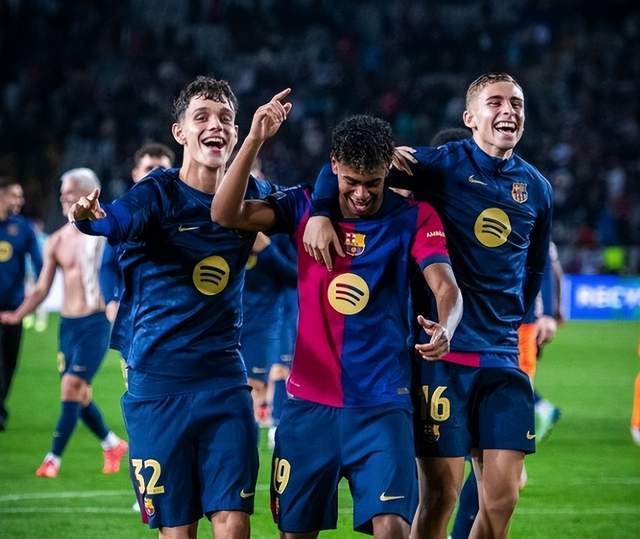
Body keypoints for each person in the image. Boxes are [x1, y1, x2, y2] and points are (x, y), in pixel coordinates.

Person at [304, 72, 552, 539]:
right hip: (442, 357)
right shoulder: (440, 165)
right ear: (470, 118)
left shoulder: (537, 188)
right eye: (496, 102)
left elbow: (535, 266)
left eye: (516, 103)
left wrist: (516, 315)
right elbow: (348, 162)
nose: (509, 111)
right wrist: (320, 210)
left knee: (502, 499)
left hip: (501, 355)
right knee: (440, 497)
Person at [212, 102, 462, 538]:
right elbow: (225, 213)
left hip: (382, 404)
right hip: (309, 406)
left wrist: (447, 325)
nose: (362, 194)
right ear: (334, 167)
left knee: (393, 528)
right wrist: (253, 140)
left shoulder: (414, 217)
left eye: (373, 183)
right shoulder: (304, 206)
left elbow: (445, 286)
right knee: (295, 533)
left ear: (387, 171)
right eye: (351, 182)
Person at [68, 76, 279, 538]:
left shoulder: (253, 193)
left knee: (234, 520)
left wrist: (321, 215)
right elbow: (115, 221)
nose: (215, 125)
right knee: (178, 530)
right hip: (158, 383)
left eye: (225, 117)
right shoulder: (158, 192)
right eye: (202, 117)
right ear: (180, 132)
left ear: (236, 132)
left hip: (224, 378)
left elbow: (305, 209)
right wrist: (89, 219)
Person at [0, 168, 127, 476]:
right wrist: (19, 314)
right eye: (62, 193)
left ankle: (53, 459)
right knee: (79, 395)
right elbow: (42, 288)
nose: (63, 198)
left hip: (95, 322)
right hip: (67, 327)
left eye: (68, 192)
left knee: (71, 387)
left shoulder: (105, 235)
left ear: (87, 192)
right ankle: (111, 443)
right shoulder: (56, 240)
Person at [101, 142, 175, 322]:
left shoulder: (189, 210)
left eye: (162, 169)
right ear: (135, 174)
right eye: (149, 168)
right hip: (136, 313)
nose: (156, 174)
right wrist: (111, 300)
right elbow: (108, 264)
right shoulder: (123, 215)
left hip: (178, 311)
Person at [0, 177, 43, 431]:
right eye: (15, 195)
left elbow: (40, 265)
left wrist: (34, 296)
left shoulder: (23, 228)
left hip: (14, 311)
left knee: (10, 364)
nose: (21, 201)